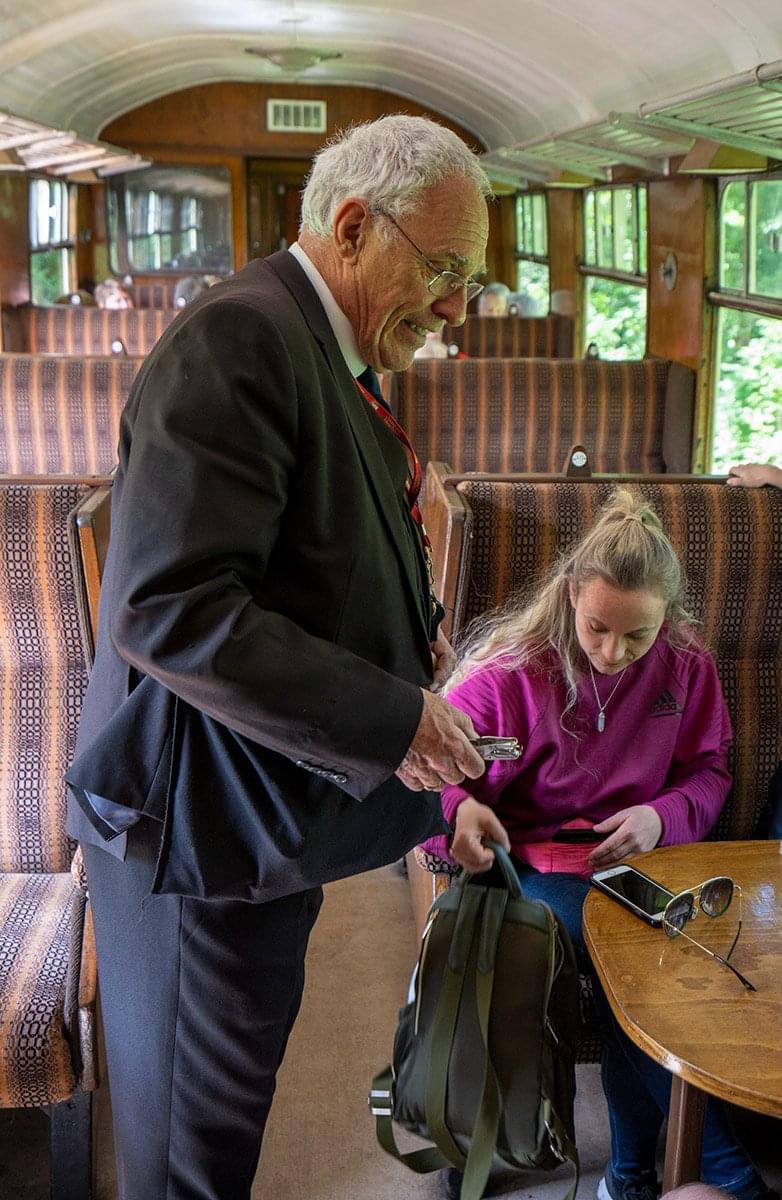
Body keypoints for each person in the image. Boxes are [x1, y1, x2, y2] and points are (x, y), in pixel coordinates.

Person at [65, 114, 492, 1200]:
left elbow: (295, 553)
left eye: (469, 279)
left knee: (229, 1113)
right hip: (192, 837)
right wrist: (392, 720)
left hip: (256, 811)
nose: (453, 305)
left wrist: (406, 630)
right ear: (352, 225)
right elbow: (171, 608)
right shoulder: (240, 341)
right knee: (187, 1155)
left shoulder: (328, 344)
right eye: (442, 270)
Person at [421, 489, 773, 1200]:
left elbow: (709, 772)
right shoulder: (508, 674)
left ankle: (634, 1175)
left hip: (645, 864)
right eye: (596, 629)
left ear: (666, 619)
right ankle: (725, 1172)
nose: (614, 653)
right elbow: (434, 780)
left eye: (636, 636)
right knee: (631, 974)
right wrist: (460, 811)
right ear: (571, 592)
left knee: (643, 986)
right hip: (537, 864)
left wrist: (661, 817)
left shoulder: (686, 664)